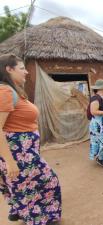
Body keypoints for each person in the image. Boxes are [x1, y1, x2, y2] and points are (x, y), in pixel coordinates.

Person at [0, 54, 62, 224]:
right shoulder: (5, 91)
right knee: (47, 182)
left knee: (23, 187)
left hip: (24, 151)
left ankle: (17, 210)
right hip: (19, 153)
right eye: (22, 68)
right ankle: (39, 219)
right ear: (9, 69)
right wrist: (10, 162)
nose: (26, 72)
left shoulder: (12, 91)